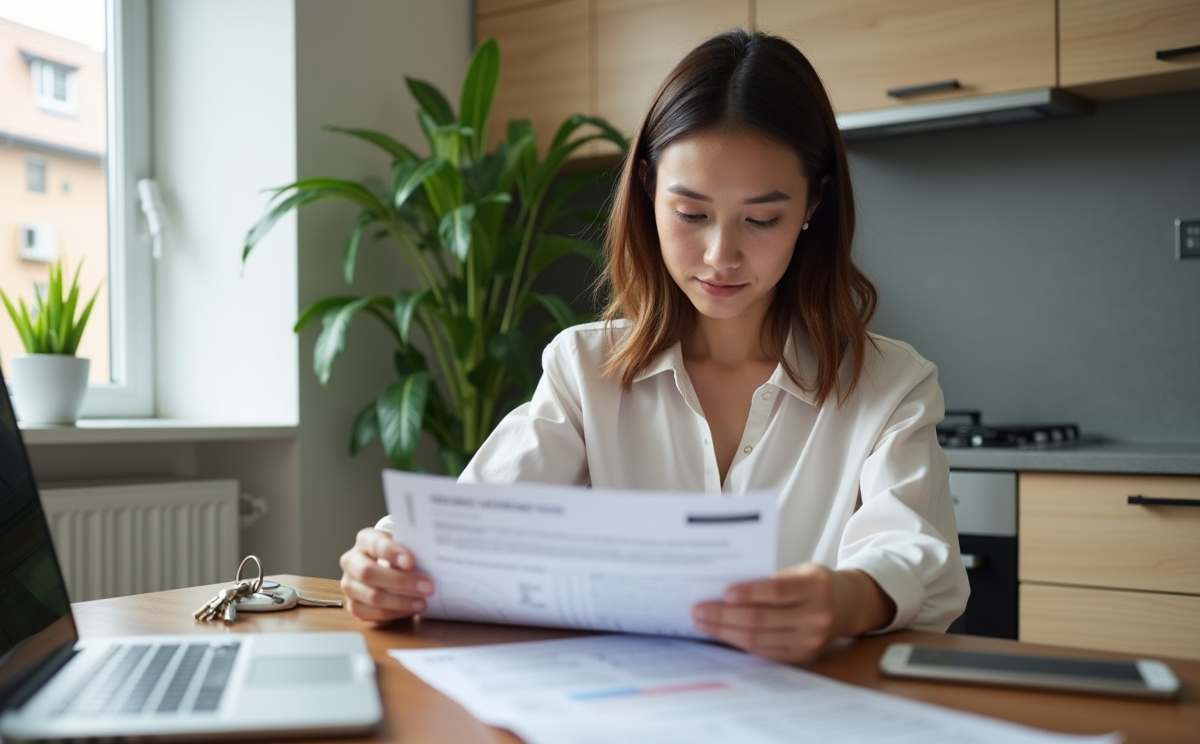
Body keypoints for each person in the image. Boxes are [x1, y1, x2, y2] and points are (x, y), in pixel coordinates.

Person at [339, 29, 969, 663]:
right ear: (646, 187)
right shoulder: (585, 370)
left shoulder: (889, 383)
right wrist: (388, 561)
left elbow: (922, 558)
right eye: (691, 214)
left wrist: (844, 597)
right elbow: (474, 520)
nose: (721, 256)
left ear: (815, 201)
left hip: (815, 718)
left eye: (761, 218)